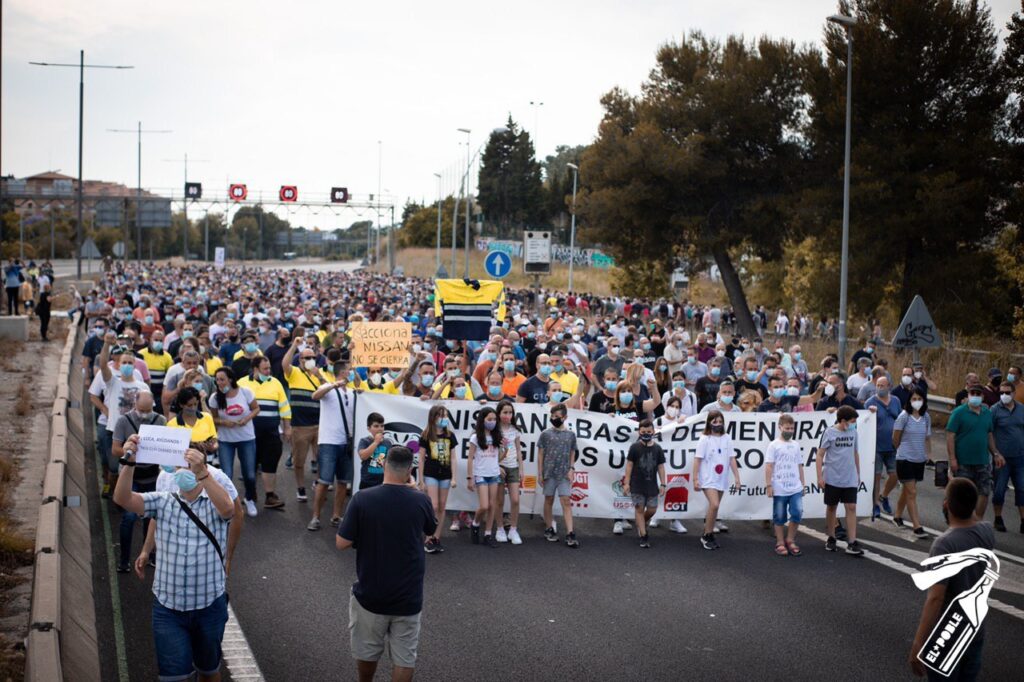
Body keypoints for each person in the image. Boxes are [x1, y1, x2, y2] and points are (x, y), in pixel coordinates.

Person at [114, 439, 234, 682]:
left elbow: (229, 510)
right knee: (173, 677)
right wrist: (129, 462)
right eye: (180, 466)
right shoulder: (163, 500)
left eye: (190, 465)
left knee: (209, 672)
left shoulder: (215, 502)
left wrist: (204, 474)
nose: (183, 471)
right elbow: (123, 498)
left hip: (209, 606)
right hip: (168, 609)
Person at [336, 445, 437, 682]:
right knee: (405, 658)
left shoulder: (362, 499)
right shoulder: (420, 500)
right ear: (410, 469)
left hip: (371, 592)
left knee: (367, 651)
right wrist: (414, 490)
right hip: (408, 595)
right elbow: (431, 529)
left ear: (383, 465)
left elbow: (342, 543)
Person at [909, 478, 995, 681]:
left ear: (946, 504)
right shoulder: (986, 531)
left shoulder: (944, 546)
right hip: (974, 632)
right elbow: (971, 512)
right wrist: (961, 492)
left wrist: (918, 644)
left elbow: (936, 598)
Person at [110, 391, 166, 572]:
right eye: (142, 410)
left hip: (152, 476)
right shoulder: (123, 421)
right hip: (131, 476)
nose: (145, 414)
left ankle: (147, 554)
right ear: (135, 405)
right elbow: (115, 450)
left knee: (150, 518)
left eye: (148, 410)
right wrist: (128, 449)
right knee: (129, 517)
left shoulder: (160, 420)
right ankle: (124, 559)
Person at [308, 365, 357, 531]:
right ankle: (315, 517)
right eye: (347, 371)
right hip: (329, 441)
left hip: (347, 442)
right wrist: (332, 385)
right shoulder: (328, 389)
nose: (349, 373)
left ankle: (336, 515)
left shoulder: (352, 393)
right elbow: (315, 396)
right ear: (340, 373)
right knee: (324, 481)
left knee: (343, 482)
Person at [238, 357, 291, 510]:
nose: (269, 371)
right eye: (265, 369)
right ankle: (250, 495)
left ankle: (270, 496)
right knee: (250, 464)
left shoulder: (275, 383)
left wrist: (287, 427)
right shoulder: (242, 383)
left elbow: (284, 406)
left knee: (270, 463)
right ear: (255, 369)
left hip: (271, 433)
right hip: (248, 434)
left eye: (269, 368)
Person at [946, 385, 1005, 518]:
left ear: (983, 396)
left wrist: (995, 453)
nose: (975, 396)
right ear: (968, 395)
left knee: (984, 492)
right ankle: (961, 521)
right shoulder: (959, 412)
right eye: (972, 393)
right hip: (963, 463)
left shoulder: (987, 413)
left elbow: (989, 435)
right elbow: (950, 435)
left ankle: (977, 521)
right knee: (963, 495)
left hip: (983, 462)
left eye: (978, 393)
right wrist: (952, 459)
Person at [207, 368, 260, 517]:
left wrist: (246, 419)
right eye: (217, 380)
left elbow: (256, 409)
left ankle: (249, 498)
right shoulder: (215, 398)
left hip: (246, 438)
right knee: (227, 474)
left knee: (249, 474)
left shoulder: (245, 392)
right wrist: (224, 422)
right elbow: (213, 418)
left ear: (230, 379)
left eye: (222, 379)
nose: (219, 382)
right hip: (226, 441)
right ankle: (227, 502)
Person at [816, 405, 864, 556]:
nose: (854, 424)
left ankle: (852, 541)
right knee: (832, 507)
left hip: (849, 477)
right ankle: (831, 537)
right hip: (832, 477)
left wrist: (858, 473)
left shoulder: (854, 432)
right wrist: (819, 476)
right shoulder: (829, 432)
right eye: (852, 421)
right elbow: (820, 454)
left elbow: (855, 453)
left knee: (851, 507)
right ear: (843, 421)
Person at [692, 409, 739, 550]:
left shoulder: (727, 438)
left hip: (721, 478)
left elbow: (732, 458)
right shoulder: (704, 439)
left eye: (720, 421)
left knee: (714, 508)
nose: (718, 424)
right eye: (715, 421)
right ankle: (706, 534)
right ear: (709, 423)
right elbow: (697, 460)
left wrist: (737, 478)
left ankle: (709, 532)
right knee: (715, 505)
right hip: (708, 478)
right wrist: (695, 479)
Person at [537, 403, 579, 548]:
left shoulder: (571, 435)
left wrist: (572, 468)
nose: (554, 418)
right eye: (552, 416)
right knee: (548, 499)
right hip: (549, 472)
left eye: (557, 416)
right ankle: (549, 528)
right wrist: (540, 473)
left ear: (565, 417)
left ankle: (570, 532)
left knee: (566, 501)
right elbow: (540, 454)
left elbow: (573, 451)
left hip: (564, 473)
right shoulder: (545, 434)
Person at [417, 404, 458, 552]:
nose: (444, 419)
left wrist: (454, 477)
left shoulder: (450, 435)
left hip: (445, 475)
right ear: (433, 418)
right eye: (441, 416)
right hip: (431, 473)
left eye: (446, 416)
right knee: (433, 505)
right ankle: (428, 537)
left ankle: (436, 537)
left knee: (442, 505)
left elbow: (453, 458)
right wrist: (421, 480)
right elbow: (421, 458)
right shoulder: (426, 434)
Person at [623, 419, 667, 549]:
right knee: (639, 509)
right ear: (639, 432)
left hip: (652, 485)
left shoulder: (657, 448)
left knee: (652, 509)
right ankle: (643, 535)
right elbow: (629, 465)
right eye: (643, 432)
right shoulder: (634, 447)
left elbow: (661, 467)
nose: (646, 434)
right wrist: (627, 483)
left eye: (649, 431)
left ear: (653, 431)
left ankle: (641, 521)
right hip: (636, 484)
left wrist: (663, 484)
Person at [893, 389, 931, 537]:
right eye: (914, 398)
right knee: (912, 492)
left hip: (919, 459)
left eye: (919, 398)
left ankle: (897, 515)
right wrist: (900, 452)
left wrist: (928, 454)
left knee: (908, 490)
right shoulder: (904, 417)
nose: (916, 401)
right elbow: (895, 438)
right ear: (909, 400)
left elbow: (927, 438)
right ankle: (917, 525)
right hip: (905, 459)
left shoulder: (926, 417)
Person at [765, 414, 804, 556]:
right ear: (780, 427)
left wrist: (803, 484)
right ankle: (780, 542)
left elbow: (800, 466)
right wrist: (769, 485)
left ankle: (790, 540)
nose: (789, 430)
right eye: (787, 428)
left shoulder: (796, 445)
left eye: (792, 428)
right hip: (780, 488)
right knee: (779, 516)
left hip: (795, 487)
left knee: (797, 513)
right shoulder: (773, 445)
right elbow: (769, 466)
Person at [865, 376, 902, 520]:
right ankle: (875, 505)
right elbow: (864, 422)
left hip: (893, 445)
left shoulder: (896, 401)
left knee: (895, 474)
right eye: (878, 385)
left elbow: (900, 418)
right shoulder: (870, 402)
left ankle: (884, 496)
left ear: (889, 387)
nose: (880, 388)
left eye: (883, 385)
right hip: (876, 446)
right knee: (877, 476)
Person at [990, 381, 1024, 533]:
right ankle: (998, 518)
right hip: (1001, 459)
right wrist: (995, 453)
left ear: (1014, 393)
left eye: (1007, 392)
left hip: (1020, 458)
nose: (1004, 395)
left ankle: (1023, 520)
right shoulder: (995, 410)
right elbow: (988, 433)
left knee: (1022, 489)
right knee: (999, 490)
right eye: (1001, 392)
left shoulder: (1021, 409)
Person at [467, 407, 502, 547]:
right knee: (484, 506)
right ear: (482, 420)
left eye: (494, 419)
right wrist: (470, 478)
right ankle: (475, 524)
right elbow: (470, 458)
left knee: (493, 505)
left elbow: (498, 456)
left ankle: (488, 534)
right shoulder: (475, 437)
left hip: (494, 474)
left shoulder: (497, 436)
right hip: (481, 473)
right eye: (489, 419)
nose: (492, 422)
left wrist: (506, 450)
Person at [494, 400, 524, 545]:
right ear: (499, 414)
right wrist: (496, 466)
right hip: (498, 467)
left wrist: (521, 469)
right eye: (505, 412)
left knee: (515, 500)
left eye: (510, 412)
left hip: (513, 467)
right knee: (499, 501)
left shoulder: (515, 429)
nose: (508, 415)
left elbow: (518, 449)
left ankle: (513, 529)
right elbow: (491, 451)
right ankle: (499, 528)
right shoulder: (494, 429)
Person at [356, 412, 392, 491]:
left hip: (382, 482)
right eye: (376, 426)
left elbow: (389, 462)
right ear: (369, 428)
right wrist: (376, 442)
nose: (380, 428)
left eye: (382, 426)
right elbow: (363, 456)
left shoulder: (387, 442)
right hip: (367, 482)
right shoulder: (364, 441)